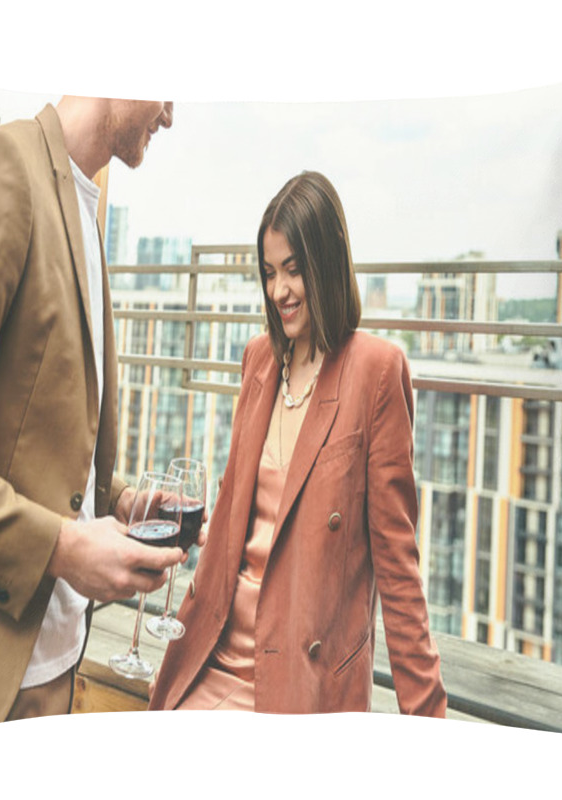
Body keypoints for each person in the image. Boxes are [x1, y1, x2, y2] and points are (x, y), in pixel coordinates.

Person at [0, 95, 184, 735]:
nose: (171, 114)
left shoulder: (85, 209)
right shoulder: (6, 169)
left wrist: (118, 500)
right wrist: (62, 549)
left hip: (57, 670)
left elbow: (33, 429)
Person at [149, 171, 447, 716]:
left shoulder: (376, 371)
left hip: (297, 684)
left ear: (327, 264)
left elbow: (398, 566)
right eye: (268, 273)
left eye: (293, 269)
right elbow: (234, 516)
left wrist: (428, 723)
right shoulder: (260, 359)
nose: (278, 290)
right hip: (212, 648)